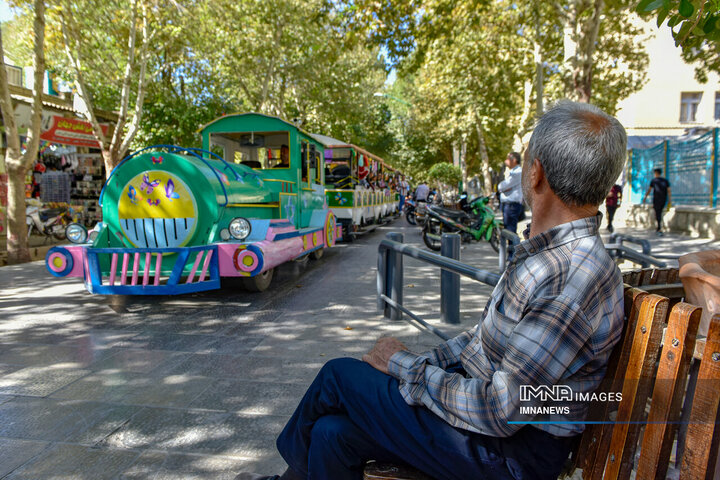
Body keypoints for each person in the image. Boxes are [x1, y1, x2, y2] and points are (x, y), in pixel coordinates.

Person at [235, 100, 627, 480]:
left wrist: (405, 368)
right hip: (489, 429)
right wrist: (417, 364)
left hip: (510, 455)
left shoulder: (570, 273)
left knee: (338, 376)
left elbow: (503, 410)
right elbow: (481, 344)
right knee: (331, 435)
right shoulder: (551, 255)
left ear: (534, 174)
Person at [498, 151, 524, 234]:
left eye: (508, 159)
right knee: (508, 230)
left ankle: (512, 247)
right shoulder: (513, 172)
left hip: (511, 205)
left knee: (510, 231)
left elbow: (501, 186)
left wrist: (503, 188)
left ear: (514, 160)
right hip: (509, 205)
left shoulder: (517, 172)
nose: (506, 161)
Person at [643, 168, 671, 235]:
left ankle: (659, 228)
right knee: (659, 212)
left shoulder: (654, 181)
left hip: (656, 199)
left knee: (658, 213)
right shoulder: (665, 181)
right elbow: (669, 191)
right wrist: (670, 200)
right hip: (663, 199)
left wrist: (645, 197)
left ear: (656, 173)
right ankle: (659, 227)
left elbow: (649, 190)